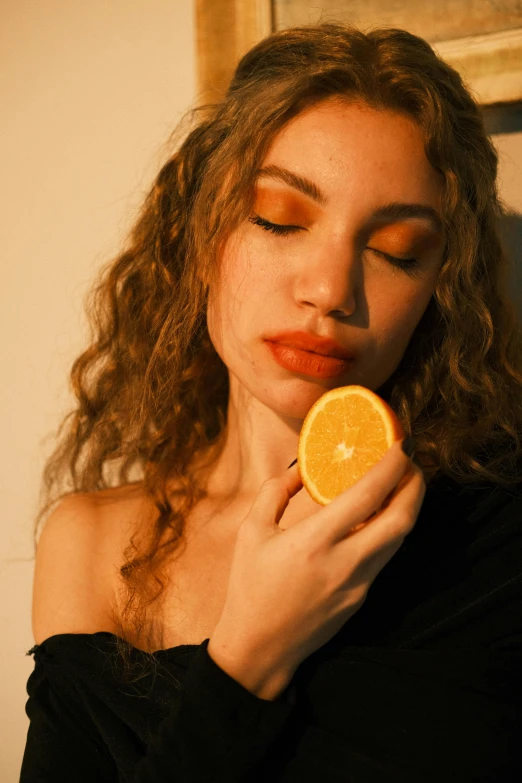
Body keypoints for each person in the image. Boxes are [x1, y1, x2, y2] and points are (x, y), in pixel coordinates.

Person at [20, 21, 522, 782]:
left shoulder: (493, 535)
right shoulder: (88, 548)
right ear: (199, 232)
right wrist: (247, 659)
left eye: (396, 251)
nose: (329, 290)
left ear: (438, 293)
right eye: (280, 219)